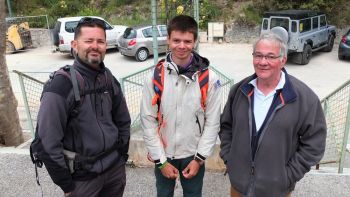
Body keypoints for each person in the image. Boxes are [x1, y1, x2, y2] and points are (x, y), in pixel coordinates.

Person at [219, 32, 327, 197]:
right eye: (258, 55)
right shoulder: (240, 90)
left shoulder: (304, 98)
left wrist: (287, 176)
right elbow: (226, 127)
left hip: (277, 191)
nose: (263, 62)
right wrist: (230, 160)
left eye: (270, 56)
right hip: (238, 187)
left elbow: (315, 143)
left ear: (283, 60)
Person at [32, 17, 131, 197]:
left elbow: (123, 120)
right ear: (75, 45)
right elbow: (47, 142)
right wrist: (66, 185)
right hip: (82, 180)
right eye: (88, 41)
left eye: (100, 41)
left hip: (114, 171)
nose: (95, 46)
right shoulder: (61, 85)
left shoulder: (108, 78)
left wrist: (121, 157)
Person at [140, 15, 222, 197]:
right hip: (164, 154)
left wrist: (199, 158)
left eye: (187, 41)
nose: (182, 46)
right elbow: (148, 121)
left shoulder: (209, 79)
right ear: (168, 40)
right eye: (176, 40)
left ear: (195, 42)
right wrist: (161, 161)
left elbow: (213, 123)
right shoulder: (154, 77)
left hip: (193, 155)